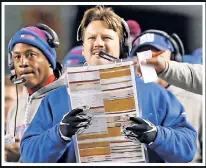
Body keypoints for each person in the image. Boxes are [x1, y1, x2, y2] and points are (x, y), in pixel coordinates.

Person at [20, 6, 197, 163]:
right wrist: (59, 134)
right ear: (83, 49)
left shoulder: (155, 93)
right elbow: (29, 154)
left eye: (106, 37)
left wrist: (157, 135)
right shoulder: (55, 98)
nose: (98, 44)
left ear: (121, 48)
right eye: (91, 38)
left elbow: (188, 148)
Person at [130, 31, 203, 163]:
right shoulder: (132, 97)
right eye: (141, 54)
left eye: (156, 53)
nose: (147, 60)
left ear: (174, 58)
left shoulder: (197, 99)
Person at [5, 23, 65, 162]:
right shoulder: (15, 110)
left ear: (49, 60)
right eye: (17, 57)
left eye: (31, 54)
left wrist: (24, 155)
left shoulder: (67, 98)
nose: (23, 63)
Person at [136, 48, 202, 95]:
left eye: (157, 54)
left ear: (173, 57)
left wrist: (166, 68)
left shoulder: (195, 100)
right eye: (143, 54)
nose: (151, 60)